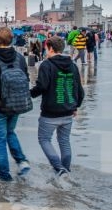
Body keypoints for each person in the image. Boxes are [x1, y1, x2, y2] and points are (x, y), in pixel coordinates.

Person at [0, 27, 31, 181]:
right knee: (10, 132)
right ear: (12, 40)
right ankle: (21, 161)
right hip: (16, 104)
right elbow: (26, 79)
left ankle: (5, 176)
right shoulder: (20, 58)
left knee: (0, 140)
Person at [30, 36, 85, 179]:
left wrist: (29, 94)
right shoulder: (72, 65)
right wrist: (75, 106)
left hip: (50, 112)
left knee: (44, 139)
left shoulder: (46, 65)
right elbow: (80, 89)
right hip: (68, 111)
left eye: (46, 47)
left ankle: (59, 168)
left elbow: (41, 86)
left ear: (50, 48)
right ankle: (66, 170)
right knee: (64, 141)